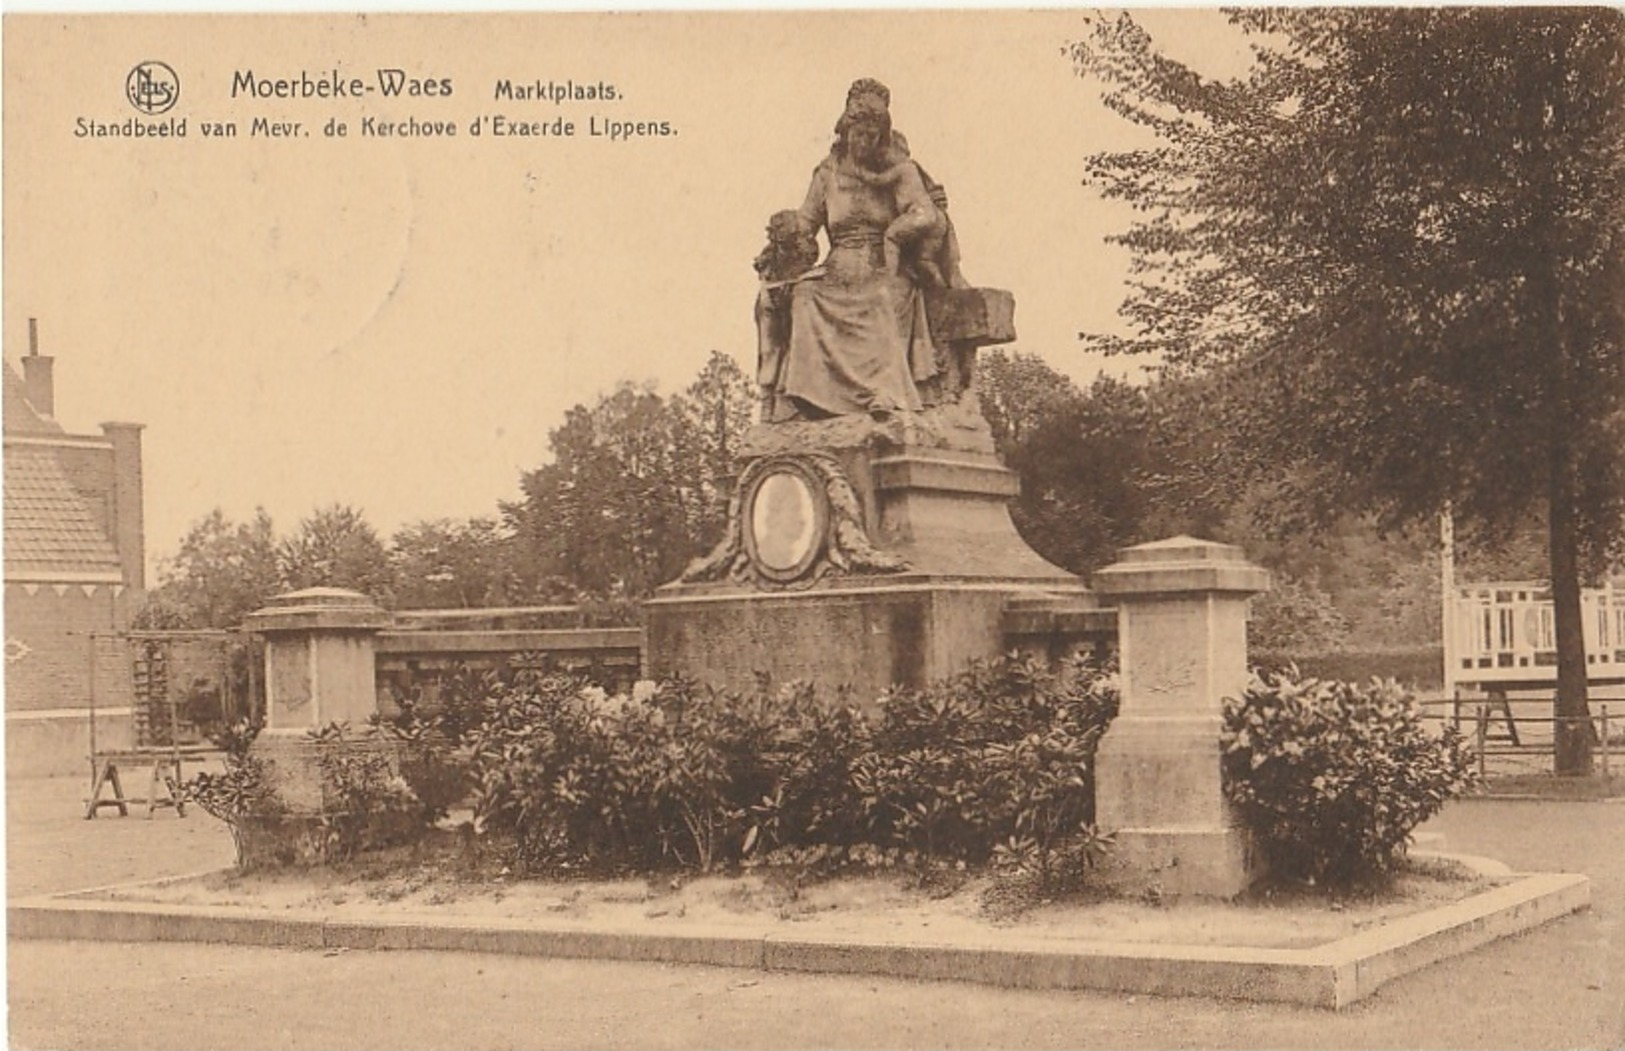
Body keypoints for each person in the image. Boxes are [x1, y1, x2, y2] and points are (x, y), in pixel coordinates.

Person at [756, 79, 951, 421]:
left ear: (881, 136)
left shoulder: (895, 171)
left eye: (871, 136)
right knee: (803, 294)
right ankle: (806, 397)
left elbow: (925, 212)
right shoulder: (827, 173)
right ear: (845, 131)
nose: (863, 142)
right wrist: (780, 237)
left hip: (884, 264)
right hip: (836, 268)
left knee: (881, 297)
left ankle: (884, 393)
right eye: (857, 134)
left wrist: (894, 233)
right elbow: (807, 220)